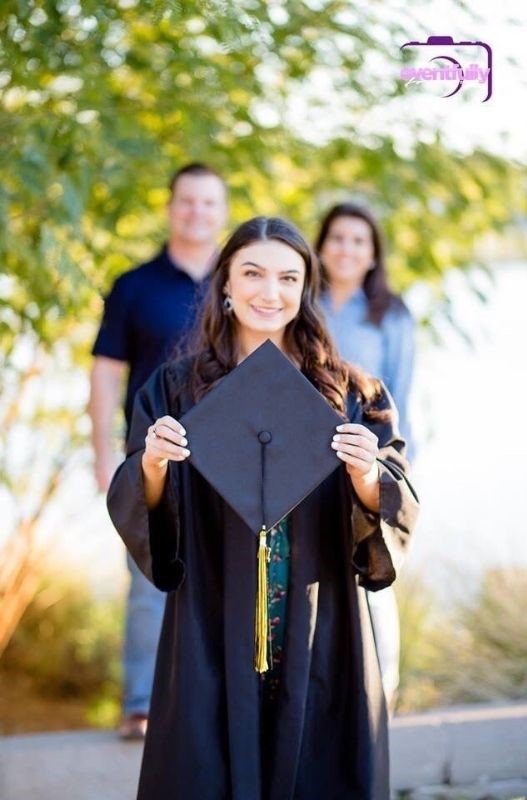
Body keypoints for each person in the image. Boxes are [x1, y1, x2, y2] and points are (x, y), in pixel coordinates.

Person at [107, 216, 419, 799]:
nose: (269, 292)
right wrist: (151, 465)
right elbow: (143, 512)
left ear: (306, 289)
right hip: (211, 620)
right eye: (252, 273)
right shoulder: (176, 390)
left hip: (321, 622)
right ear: (225, 282)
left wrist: (366, 474)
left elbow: (395, 506)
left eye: (287, 277)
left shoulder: (354, 394)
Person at [89, 162, 228, 738]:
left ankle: (215, 704)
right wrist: (103, 455)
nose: (197, 212)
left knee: (223, 580)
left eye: (208, 202)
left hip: (226, 457)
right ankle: (142, 704)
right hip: (149, 456)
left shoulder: (240, 283)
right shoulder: (133, 286)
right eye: (187, 201)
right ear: (171, 208)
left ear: (223, 212)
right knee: (150, 581)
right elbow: (105, 375)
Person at [315, 202, 416, 710]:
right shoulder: (302, 304)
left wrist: (397, 473)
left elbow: (402, 395)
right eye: (337, 237)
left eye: (359, 240)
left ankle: (383, 691)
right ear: (320, 245)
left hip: (370, 463)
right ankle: (329, 695)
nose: (346, 249)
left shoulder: (391, 314)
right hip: (309, 467)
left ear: (373, 253)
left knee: (375, 574)